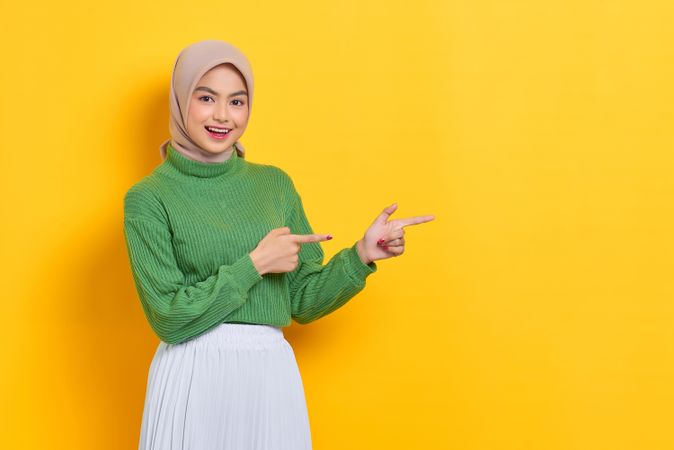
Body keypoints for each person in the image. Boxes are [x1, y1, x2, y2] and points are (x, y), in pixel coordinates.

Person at [123, 39, 435, 450]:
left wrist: (361, 256)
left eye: (237, 101)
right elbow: (168, 317)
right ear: (181, 101)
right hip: (192, 375)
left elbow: (302, 300)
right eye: (206, 98)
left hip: (268, 374)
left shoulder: (274, 185)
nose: (222, 115)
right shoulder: (149, 197)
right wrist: (254, 264)